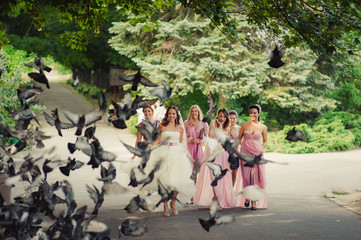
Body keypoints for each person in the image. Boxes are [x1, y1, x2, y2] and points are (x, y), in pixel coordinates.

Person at [143, 106, 195, 216]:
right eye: (170, 114)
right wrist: (149, 149)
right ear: (167, 115)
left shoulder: (180, 127)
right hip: (164, 153)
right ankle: (165, 206)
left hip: (176, 155)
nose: (171, 116)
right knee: (165, 181)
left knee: (177, 182)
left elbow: (181, 142)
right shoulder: (162, 126)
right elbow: (157, 140)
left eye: (173, 114)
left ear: (177, 115)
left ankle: (173, 203)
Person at [193, 108, 236, 208]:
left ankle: (219, 198)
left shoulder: (228, 126)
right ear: (217, 116)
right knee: (214, 175)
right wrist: (219, 127)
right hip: (214, 153)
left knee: (223, 175)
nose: (222, 118)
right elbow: (210, 135)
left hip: (223, 154)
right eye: (220, 116)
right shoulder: (213, 122)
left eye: (224, 116)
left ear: (226, 117)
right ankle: (217, 198)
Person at [234, 104, 268, 210]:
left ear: (258, 113)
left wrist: (261, 149)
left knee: (254, 177)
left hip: (257, 153)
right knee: (245, 177)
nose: (252, 114)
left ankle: (253, 201)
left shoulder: (263, 127)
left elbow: (265, 141)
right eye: (251, 112)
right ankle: (247, 197)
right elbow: (239, 139)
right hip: (245, 152)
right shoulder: (244, 125)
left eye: (254, 112)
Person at [184, 105, 209, 170]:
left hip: (198, 149)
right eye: (192, 111)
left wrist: (199, 141)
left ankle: (195, 180)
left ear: (198, 112)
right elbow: (182, 137)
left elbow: (206, 137)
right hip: (189, 148)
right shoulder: (186, 123)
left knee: (197, 170)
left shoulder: (204, 124)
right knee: (188, 169)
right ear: (190, 113)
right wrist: (191, 139)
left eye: (196, 111)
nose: (194, 113)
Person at [228, 110, 241, 186]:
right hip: (227, 153)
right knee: (227, 172)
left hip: (236, 153)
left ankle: (231, 189)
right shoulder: (225, 128)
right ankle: (226, 189)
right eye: (230, 118)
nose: (232, 120)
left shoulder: (239, 128)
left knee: (235, 173)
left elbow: (242, 141)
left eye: (233, 118)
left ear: (236, 119)